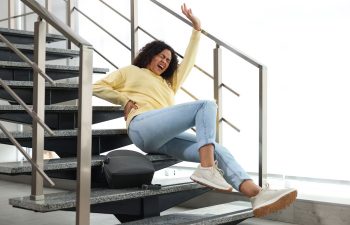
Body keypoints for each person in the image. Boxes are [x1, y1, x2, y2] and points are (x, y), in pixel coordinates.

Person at [93, 3, 297, 217]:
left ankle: (255, 193)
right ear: (150, 55)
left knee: (217, 148)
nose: (165, 61)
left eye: (168, 60)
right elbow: (97, 86)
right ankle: (207, 169)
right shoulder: (131, 71)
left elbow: (188, 61)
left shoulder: (168, 84)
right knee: (206, 105)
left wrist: (196, 29)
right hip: (142, 126)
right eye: (161, 56)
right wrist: (124, 99)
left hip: (163, 138)